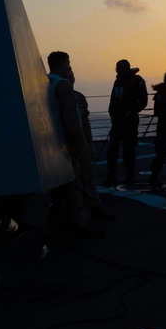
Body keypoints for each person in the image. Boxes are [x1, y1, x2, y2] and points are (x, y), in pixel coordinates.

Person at [47, 52, 105, 238]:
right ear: (61, 64)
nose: (69, 68)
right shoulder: (63, 86)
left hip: (53, 141)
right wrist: (81, 143)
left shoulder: (47, 83)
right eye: (68, 64)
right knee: (75, 184)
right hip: (68, 142)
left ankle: (60, 219)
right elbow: (72, 119)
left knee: (60, 186)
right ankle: (79, 223)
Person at [69, 69, 115, 222]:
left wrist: (90, 144)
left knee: (88, 177)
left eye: (72, 73)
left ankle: (94, 208)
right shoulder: (57, 97)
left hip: (82, 145)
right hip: (68, 147)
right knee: (74, 183)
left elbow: (85, 123)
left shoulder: (80, 97)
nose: (71, 77)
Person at [102, 59, 148, 186]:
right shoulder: (117, 82)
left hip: (130, 121)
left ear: (126, 69)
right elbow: (113, 100)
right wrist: (112, 115)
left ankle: (130, 175)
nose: (118, 72)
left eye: (120, 69)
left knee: (129, 149)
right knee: (113, 149)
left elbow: (143, 102)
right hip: (117, 121)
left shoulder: (138, 81)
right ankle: (111, 175)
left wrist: (131, 112)